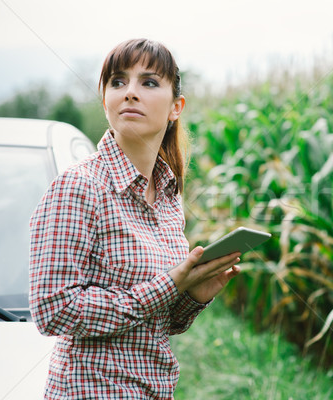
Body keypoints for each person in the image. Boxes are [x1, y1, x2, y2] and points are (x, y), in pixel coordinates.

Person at [29, 38, 241, 399]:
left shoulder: (168, 198)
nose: (129, 92)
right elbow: (53, 309)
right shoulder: (80, 187)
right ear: (106, 101)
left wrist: (192, 297)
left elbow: (154, 323)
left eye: (148, 82)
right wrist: (169, 285)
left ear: (176, 107)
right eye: (117, 82)